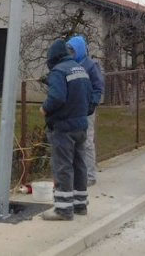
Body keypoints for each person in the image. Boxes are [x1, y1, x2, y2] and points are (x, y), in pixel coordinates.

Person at [39, 39, 92, 221]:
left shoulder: (58, 71)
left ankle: (63, 210)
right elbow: (89, 96)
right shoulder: (79, 69)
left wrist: (44, 108)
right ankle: (80, 205)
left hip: (63, 127)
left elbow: (58, 97)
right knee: (79, 166)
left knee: (63, 167)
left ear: (52, 57)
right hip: (81, 126)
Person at [66, 35, 104, 189]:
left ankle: (90, 175)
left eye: (72, 50)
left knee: (87, 142)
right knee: (73, 142)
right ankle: (78, 173)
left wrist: (93, 103)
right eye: (69, 51)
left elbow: (98, 86)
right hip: (73, 109)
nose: (70, 53)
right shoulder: (69, 65)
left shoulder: (90, 66)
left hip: (86, 109)